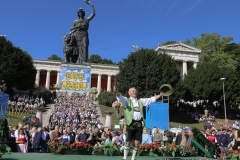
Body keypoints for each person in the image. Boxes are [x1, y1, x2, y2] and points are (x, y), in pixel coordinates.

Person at [113, 86, 161, 160]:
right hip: (130, 123)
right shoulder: (126, 100)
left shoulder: (140, 101)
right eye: (132, 91)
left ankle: (133, 158)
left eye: (135, 91)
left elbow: (151, 99)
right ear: (129, 93)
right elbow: (120, 96)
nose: (134, 92)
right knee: (128, 141)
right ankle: (125, 158)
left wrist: (160, 95)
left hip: (139, 123)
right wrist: (116, 91)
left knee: (137, 142)